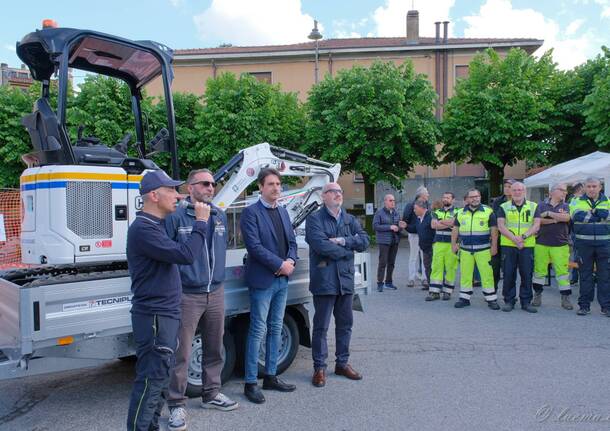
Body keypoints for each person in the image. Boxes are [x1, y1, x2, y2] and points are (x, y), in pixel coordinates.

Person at [126, 170, 209, 431]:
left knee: (159, 379)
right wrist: (201, 223)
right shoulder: (143, 229)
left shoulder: (155, 226)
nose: (178, 194)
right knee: (151, 380)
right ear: (154, 195)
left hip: (163, 315)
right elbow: (186, 254)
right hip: (155, 316)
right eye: (172, 190)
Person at [165, 169, 237, 431]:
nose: (211, 187)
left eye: (213, 184)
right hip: (187, 293)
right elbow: (168, 253)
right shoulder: (176, 216)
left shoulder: (218, 215)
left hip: (215, 291)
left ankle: (211, 393)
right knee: (181, 351)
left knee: (214, 346)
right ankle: (176, 404)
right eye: (205, 184)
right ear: (190, 187)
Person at [240, 168, 298, 404]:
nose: (276, 188)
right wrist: (280, 265)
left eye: (278, 184)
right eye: (271, 184)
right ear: (261, 187)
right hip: (263, 281)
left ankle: (271, 376)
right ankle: (250, 382)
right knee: (258, 331)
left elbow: (292, 242)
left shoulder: (284, 212)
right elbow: (254, 247)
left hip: (282, 280)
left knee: (276, 328)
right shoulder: (250, 213)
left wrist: (291, 261)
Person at [306, 182, 369, 388]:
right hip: (325, 281)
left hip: (346, 280)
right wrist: (347, 251)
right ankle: (319, 368)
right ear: (323, 196)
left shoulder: (350, 219)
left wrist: (342, 241)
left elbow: (365, 241)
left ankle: (342, 364)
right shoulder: (315, 219)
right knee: (321, 327)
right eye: (333, 192)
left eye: (340, 191)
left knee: (345, 324)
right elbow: (320, 245)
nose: (338, 194)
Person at [451, 188, 500, 310]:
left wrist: (494, 246)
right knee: (466, 274)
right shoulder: (461, 212)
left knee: (486, 274)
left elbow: (494, 231)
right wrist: (453, 244)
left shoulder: (488, 212)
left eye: (477, 196)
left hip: (483, 250)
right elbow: (455, 229)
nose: (475, 199)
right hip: (465, 250)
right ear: (467, 199)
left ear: (480, 197)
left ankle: (491, 299)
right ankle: (464, 298)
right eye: (472, 197)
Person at [497, 181, 540, 313]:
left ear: (524, 191)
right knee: (509, 274)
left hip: (527, 245)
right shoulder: (503, 206)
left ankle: (526, 302)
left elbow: (536, 225)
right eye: (514, 190)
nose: (517, 192)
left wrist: (523, 237)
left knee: (526, 274)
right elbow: (501, 226)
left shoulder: (534, 206)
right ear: (510, 191)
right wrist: (515, 239)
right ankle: (509, 301)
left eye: (520, 190)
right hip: (508, 245)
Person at [569, 177, 610, 316]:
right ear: (584, 188)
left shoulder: (608, 201)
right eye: (589, 186)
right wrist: (598, 214)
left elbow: (608, 216)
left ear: (600, 187)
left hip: (604, 244)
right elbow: (576, 216)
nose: (591, 189)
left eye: (594, 186)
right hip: (583, 244)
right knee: (585, 276)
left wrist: (591, 214)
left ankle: (606, 307)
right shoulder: (576, 201)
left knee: (605, 276)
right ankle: (584, 306)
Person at [532, 183, 573, 310]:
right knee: (539, 271)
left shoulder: (566, 205)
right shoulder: (540, 205)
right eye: (562, 190)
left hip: (560, 244)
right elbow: (537, 221)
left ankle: (565, 298)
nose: (565, 193)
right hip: (541, 243)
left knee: (562, 273)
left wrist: (549, 213)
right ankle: (537, 295)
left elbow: (566, 218)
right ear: (553, 192)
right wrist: (555, 220)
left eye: (565, 191)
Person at [426, 192, 458, 301]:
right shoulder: (437, 212)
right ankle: (434, 292)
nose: (445, 199)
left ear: (453, 200)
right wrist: (450, 224)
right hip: (438, 243)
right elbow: (433, 225)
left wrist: (442, 222)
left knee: (451, 267)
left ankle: (447, 292)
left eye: (448, 197)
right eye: (444, 197)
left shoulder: (458, 212)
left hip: (451, 243)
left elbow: (456, 223)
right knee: (436, 267)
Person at [373, 194, 405, 291]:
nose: (393, 202)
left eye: (394, 200)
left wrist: (400, 227)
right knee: (383, 263)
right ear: (385, 201)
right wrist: (389, 227)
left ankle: (389, 282)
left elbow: (398, 226)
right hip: (384, 241)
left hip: (394, 241)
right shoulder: (379, 213)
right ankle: (380, 283)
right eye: (390, 200)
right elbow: (375, 226)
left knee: (391, 263)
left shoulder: (396, 213)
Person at [402, 186, 429, 287]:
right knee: (413, 256)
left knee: (425, 256)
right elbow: (405, 220)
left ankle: (425, 278)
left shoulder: (427, 205)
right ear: (421, 194)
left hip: (424, 235)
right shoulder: (410, 205)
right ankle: (411, 278)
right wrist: (410, 228)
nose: (428, 195)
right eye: (427, 193)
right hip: (413, 235)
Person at [491, 179, 514, 292]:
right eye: (505, 186)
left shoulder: (520, 201)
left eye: (509, 186)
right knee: (495, 267)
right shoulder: (497, 202)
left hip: (513, 240)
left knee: (509, 269)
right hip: (499, 238)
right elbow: (494, 222)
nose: (506, 188)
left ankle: (508, 294)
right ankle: (493, 291)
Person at [413, 200, 434, 290]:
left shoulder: (430, 217)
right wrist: (405, 226)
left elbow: (435, 231)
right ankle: (430, 284)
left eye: (415, 208)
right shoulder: (419, 218)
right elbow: (415, 229)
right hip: (424, 247)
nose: (414, 210)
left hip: (431, 246)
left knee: (433, 267)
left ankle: (435, 286)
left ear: (422, 208)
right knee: (427, 266)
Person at [568, 182, 584, 287]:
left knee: (576, 254)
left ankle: (575, 277)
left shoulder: (572, 200)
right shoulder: (580, 200)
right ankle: (579, 277)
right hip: (580, 230)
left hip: (574, 230)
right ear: (580, 189)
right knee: (580, 255)